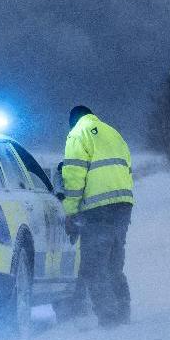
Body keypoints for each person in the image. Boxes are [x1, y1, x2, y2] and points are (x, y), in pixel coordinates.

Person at [61, 105, 135, 327]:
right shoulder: (113, 133)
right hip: (123, 206)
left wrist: (71, 211)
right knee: (114, 264)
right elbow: (127, 169)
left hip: (97, 209)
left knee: (94, 265)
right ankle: (123, 313)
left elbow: (73, 176)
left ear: (73, 121)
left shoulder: (78, 134)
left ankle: (109, 318)